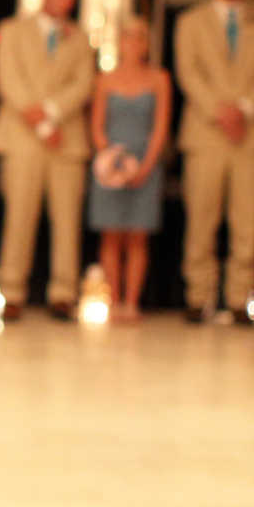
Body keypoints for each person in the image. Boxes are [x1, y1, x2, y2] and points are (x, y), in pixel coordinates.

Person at [174, 0, 254, 325]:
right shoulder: (191, 21)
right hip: (206, 132)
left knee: (247, 220)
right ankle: (198, 295)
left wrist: (246, 109)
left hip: (251, 135)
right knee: (202, 217)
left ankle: (240, 298)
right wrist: (220, 111)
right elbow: (188, 72)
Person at [0, 0, 95, 321]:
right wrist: (37, 121)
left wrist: (52, 113)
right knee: (19, 216)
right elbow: (9, 78)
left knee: (66, 219)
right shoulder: (13, 31)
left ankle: (64, 292)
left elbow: (83, 83)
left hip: (66, 138)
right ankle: (13, 290)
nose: (65, 0)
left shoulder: (79, 38)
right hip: (23, 137)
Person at [87, 17, 172, 321]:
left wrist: (146, 165)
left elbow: (160, 126)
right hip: (111, 162)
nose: (133, 43)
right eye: (128, 36)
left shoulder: (159, 79)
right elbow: (97, 125)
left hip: (145, 161)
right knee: (111, 234)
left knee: (137, 235)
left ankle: (131, 302)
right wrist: (112, 160)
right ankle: (113, 300)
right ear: (120, 42)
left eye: (140, 37)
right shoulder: (105, 80)